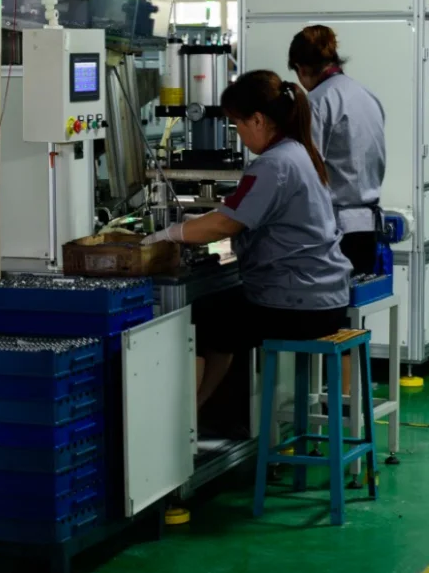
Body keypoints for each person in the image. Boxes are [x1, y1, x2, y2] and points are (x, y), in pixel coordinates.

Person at [143, 70, 352, 408]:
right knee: (222, 323)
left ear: (257, 120)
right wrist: (200, 224)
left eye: (238, 123)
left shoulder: (273, 164)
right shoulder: (299, 152)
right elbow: (237, 215)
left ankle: (184, 421)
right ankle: (198, 409)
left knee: (201, 319)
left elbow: (225, 224)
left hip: (295, 304)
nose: (238, 133)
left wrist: (169, 234)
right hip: (325, 297)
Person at [289, 25, 386, 276]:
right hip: (368, 227)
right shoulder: (366, 95)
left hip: (335, 231)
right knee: (352, 298)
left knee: (329, 299)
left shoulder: (317, 102)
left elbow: (305, 170)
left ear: (301, 68)